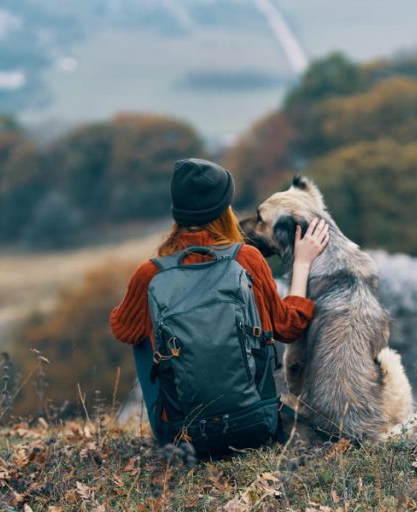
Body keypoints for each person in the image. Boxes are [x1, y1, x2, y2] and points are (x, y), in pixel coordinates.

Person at [109, 158, 329, 445]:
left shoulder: (150, 273)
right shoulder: (246, 259)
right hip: (254, 424)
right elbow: (289, 327)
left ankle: (169, 414)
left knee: (142, 334)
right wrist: (302, 263)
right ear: (225, 209)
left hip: (182, 437)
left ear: (178, 213)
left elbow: (123, 329)